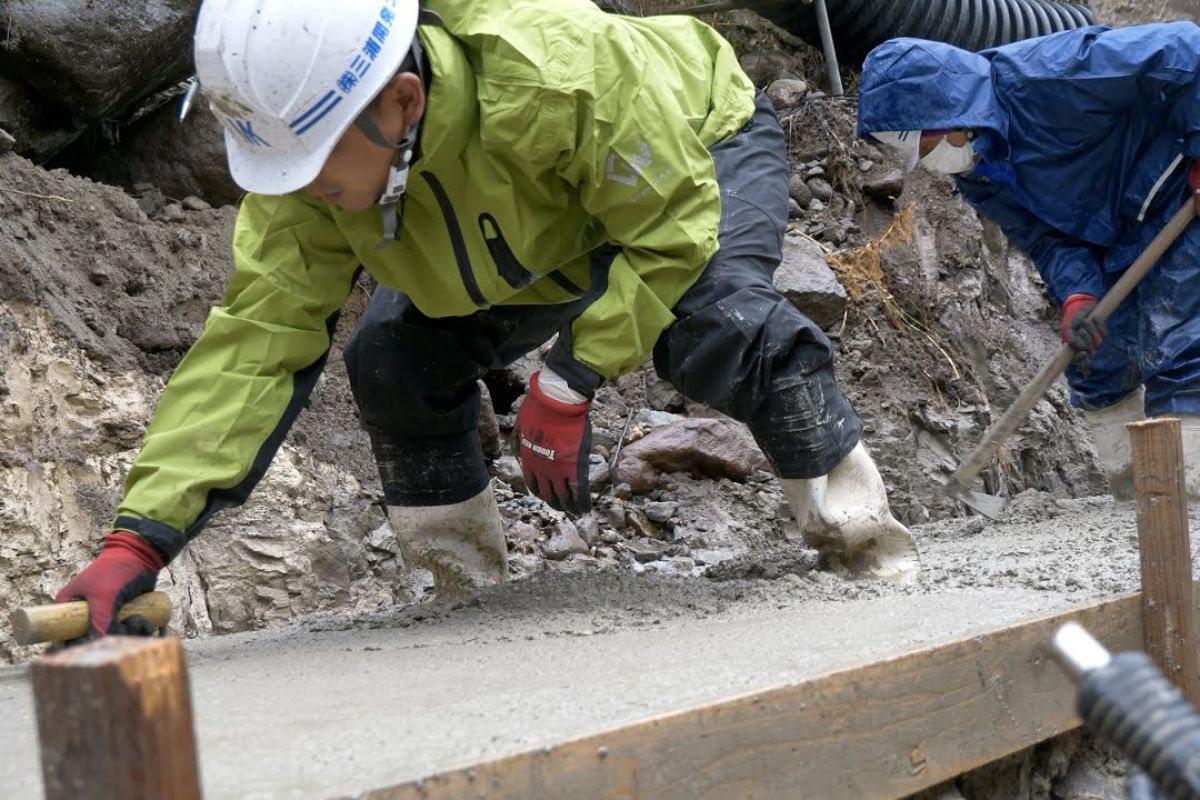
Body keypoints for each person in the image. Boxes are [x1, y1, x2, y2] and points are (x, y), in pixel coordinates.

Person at [54, 0, 921, 640]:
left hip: (691, 153)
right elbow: (254, 346)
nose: (297, 188)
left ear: (400, 102)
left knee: (716, 321)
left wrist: (570, 378)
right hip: (526, 223)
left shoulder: (556, 75)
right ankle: (464, 596)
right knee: (392, 356)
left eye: (312, 165)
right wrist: (139, 539)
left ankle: (864, 546)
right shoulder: (317, 180)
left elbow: (669, 230)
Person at [856, 21, 1200, 501]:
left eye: (924, 148)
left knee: (1177, 335)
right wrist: (1078, 293)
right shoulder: (981, 175)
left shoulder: (1051, 75)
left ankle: (1187, 484)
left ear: (946, 113)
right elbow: (1044, 237)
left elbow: (1186, 47)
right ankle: (1133, 485)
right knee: (1095, 355)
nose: (925, 164)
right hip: (1111, 233)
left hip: (1177, 191)